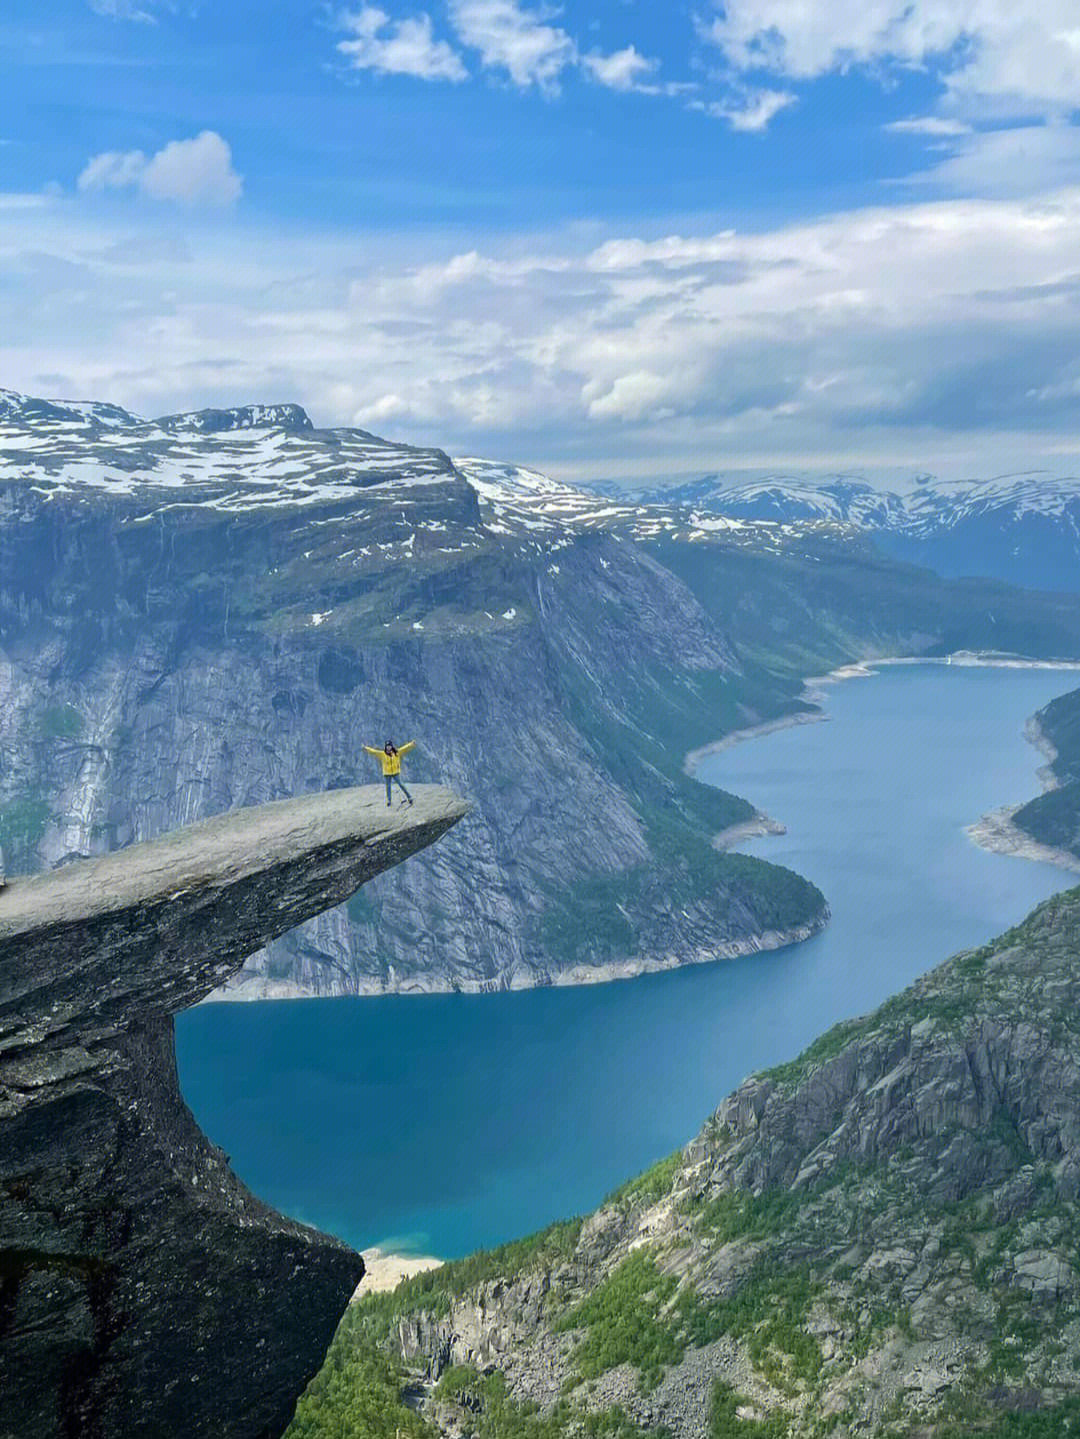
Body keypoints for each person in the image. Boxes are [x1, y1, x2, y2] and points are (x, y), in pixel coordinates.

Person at [364, 739, 416, 807]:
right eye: (387, 746)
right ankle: (389, 801)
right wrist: (366, 748)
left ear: (391, 746)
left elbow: (405, 748)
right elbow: (374, 752)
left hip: (395, 772)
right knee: (388, 787)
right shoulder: (382, 754)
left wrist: (411, 744)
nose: (388, 747)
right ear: (385, 747)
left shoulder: (397, 753)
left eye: (389, 746)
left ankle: (409, 797)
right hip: (387, 773)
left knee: (401, 784)